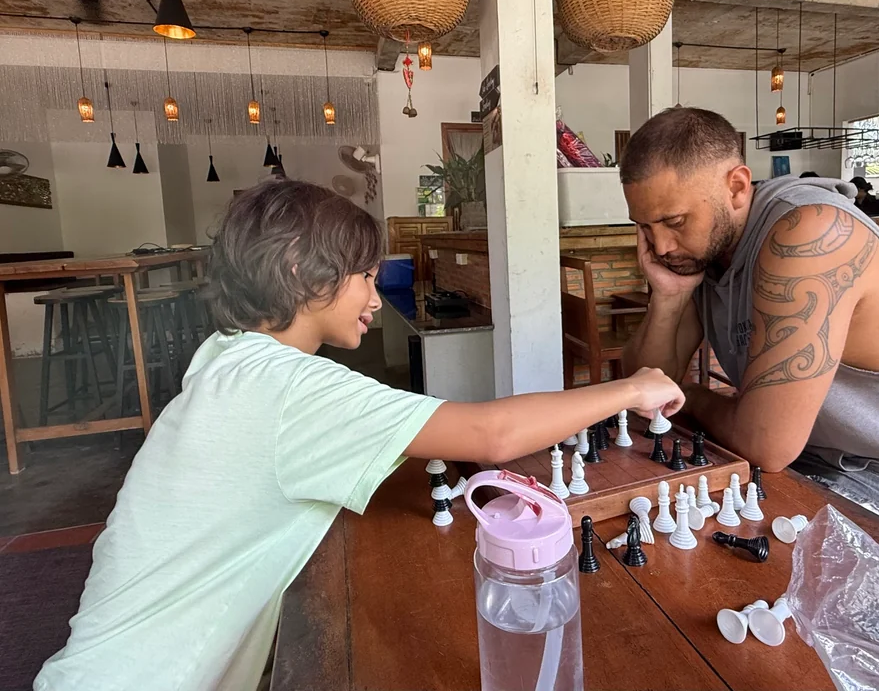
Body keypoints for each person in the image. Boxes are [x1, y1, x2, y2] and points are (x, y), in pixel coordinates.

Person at [35, 181, 685, 691]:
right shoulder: (287, 389)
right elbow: (490, 435)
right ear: (301, 269)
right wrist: (631, 389)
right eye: (366, 276)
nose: (376, 298)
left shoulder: (226, 356)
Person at [618, 107, 879, 563]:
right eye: (644, 226)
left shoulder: (810, 233)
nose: (661, 246)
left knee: (734, 562)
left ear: (737, 187)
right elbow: (645, 389)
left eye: (674, 221)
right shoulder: (703, 254)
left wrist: (688, 396)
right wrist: (668, 298)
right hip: (817, 461)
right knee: (660, 529)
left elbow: (764, 444)